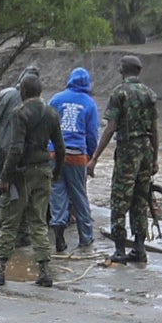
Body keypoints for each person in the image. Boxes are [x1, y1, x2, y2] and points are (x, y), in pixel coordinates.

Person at [0, 71, 60, 289]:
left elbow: (15, 148)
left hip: (21, 174)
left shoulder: (19, 113)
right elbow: (60, 148)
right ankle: (44, 272)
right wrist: (57, 173)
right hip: (43, 171)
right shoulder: (51, 113)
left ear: (22, 92)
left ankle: (0, 271)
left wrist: (5, 177)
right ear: (40, 92)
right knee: (39, 222)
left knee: (10, 222)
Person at [105, 58, 161, 264]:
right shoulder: (150, 94)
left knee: (120, 198)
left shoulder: (119, 93)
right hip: (146, 149)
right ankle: (139, 248)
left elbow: (111, 127)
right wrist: (155, 157)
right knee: (141, 198)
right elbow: (155, 129)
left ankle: (120, 249)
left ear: (122, 70)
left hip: (127, 150)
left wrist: (94, 158)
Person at [48, 66, 105, 256]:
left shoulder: (56, 99)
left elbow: (46, 126)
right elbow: (91, 135)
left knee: (57, 195)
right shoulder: (89, 104)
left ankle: (58, 232)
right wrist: (90, 158)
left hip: (54, 155)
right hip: (77, 156)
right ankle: (86, 238)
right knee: (80, 197)